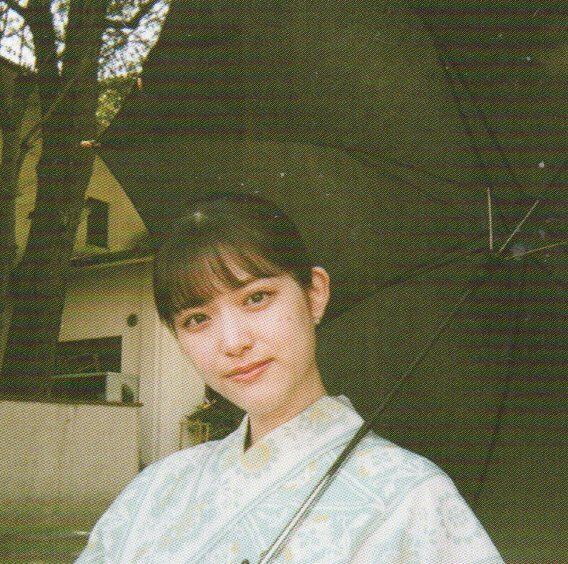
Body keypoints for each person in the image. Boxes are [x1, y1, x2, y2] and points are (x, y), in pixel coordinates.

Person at [75, 192, 504, 563]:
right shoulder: (154, 491)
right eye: (197, 319)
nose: (233, 342)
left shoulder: (413, 498)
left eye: (256, 298)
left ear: (315, 294)